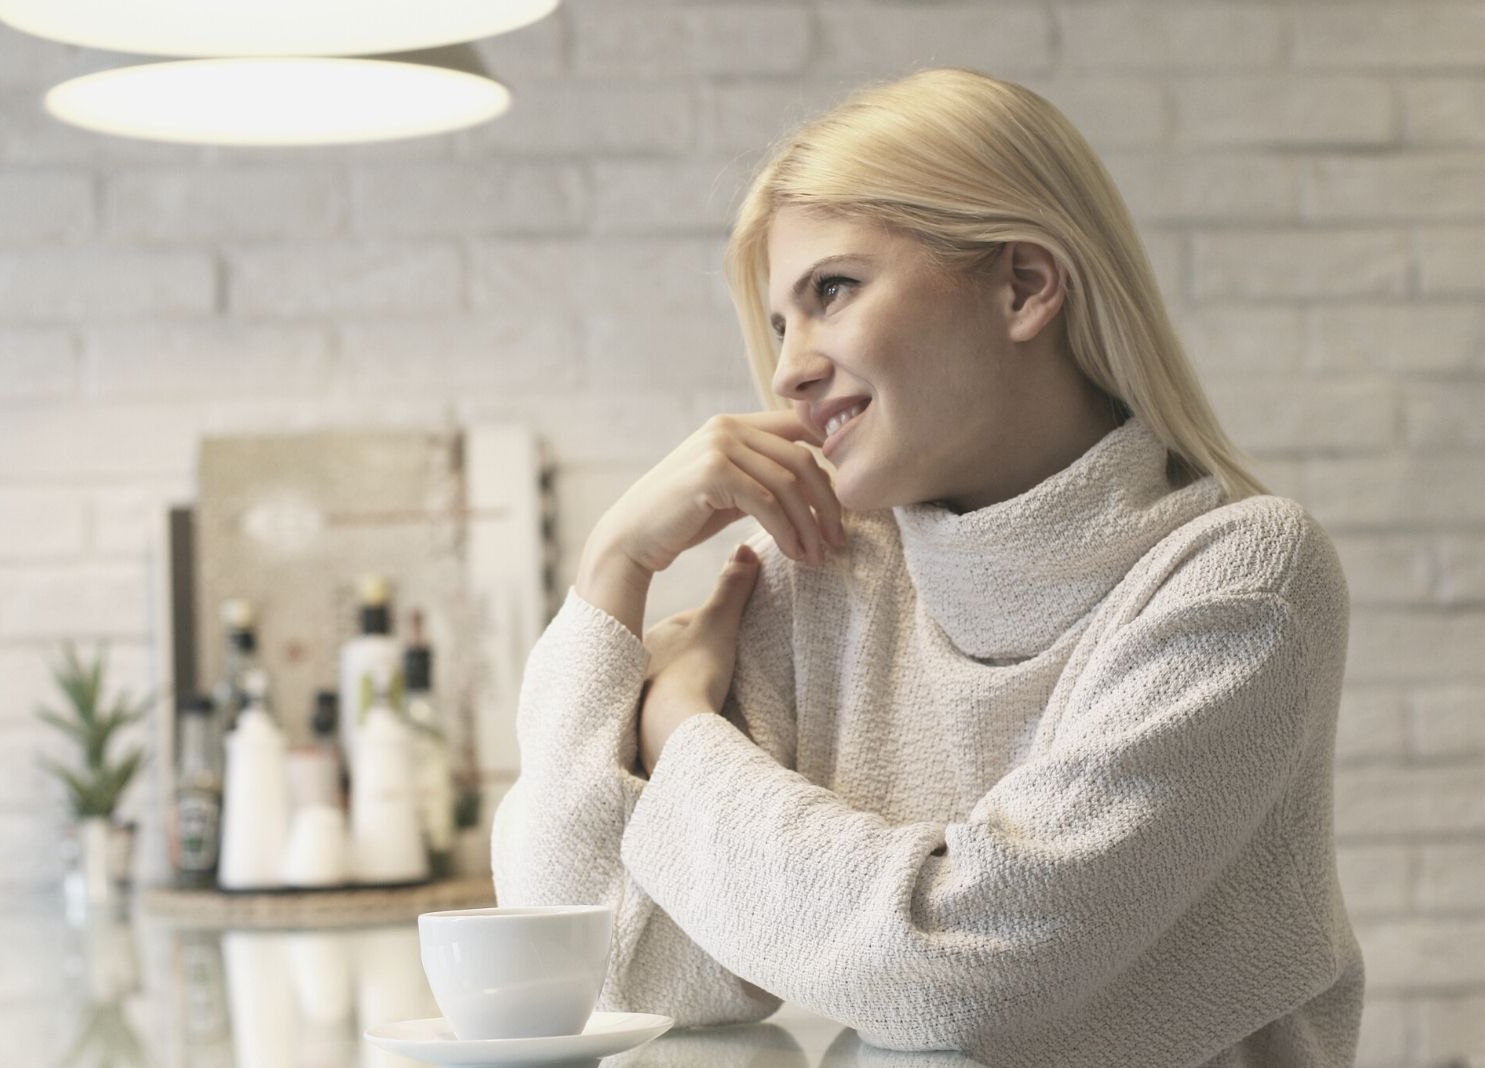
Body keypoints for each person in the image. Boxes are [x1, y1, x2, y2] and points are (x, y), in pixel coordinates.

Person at [492, 66, 1364, 1068]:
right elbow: (610, 963)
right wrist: (614, 569)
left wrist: (681, 731)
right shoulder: (829, 570)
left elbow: (965, 975)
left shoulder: (1240, 582)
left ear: (1024, 285)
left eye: (833, 290)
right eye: (782, 321)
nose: (788, 370)